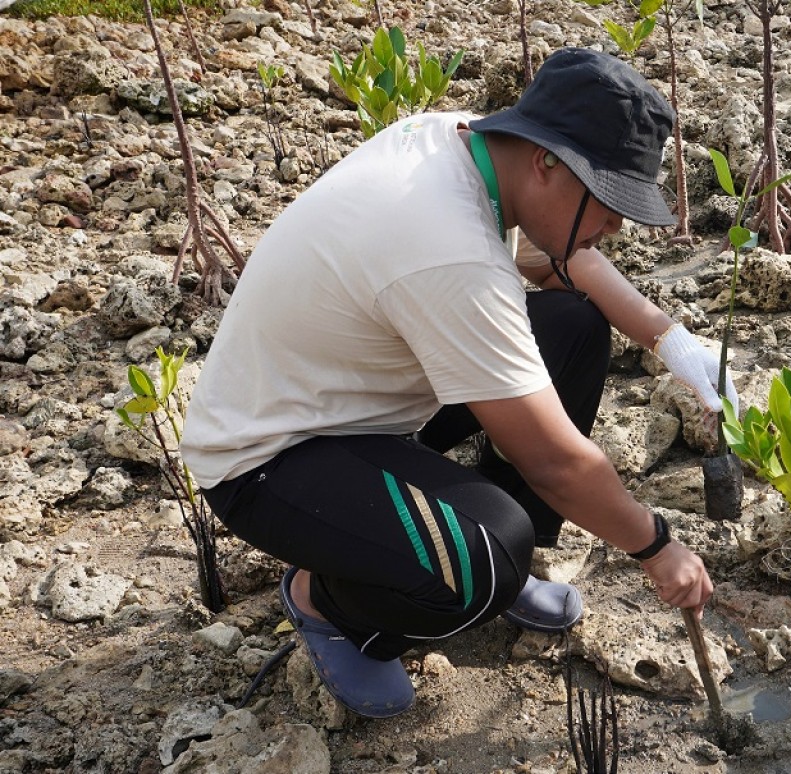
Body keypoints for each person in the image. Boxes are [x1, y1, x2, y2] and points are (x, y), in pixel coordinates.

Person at [181, 47, 737, 719]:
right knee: (488, 556)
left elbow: (562, 260)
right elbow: (554, 462)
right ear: (547, 163)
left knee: (571, 327)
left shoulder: (470, 147)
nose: (615, 226)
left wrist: (671, 342)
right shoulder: (444, 244)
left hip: (359, 402)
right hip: (269, 458)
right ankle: (325, 604)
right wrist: (655, 545)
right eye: (611, 203)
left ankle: (499, 560)